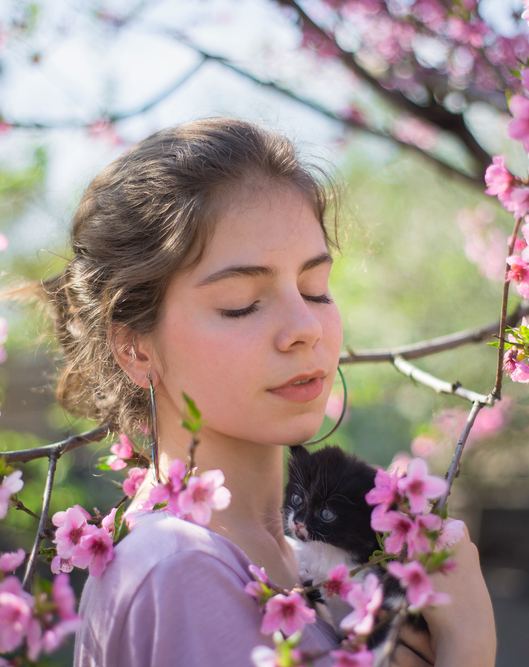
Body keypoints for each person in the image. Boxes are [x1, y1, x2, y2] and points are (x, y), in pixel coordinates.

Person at [42, 118, 496, 667]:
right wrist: (469, 650)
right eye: (241, 302)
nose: (304, 325)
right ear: (135, 346)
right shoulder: (178, 568)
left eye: (315, 289)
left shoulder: (302, 558)